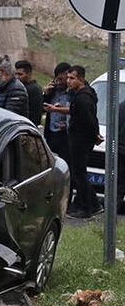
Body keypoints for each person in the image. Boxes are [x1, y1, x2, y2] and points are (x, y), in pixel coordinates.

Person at [65, 65, 103, 218]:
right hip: (80, 138)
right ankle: (91, 203)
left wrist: (95, 135)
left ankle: (87, 206)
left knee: (79, 173)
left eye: (72, 78)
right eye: (68, 78)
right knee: (79, 172)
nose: (68, 81)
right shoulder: (81, 95)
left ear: (80, 79)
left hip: (81, 139)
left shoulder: (83, 98)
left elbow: (89, 119)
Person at [42, 62, 72, 174]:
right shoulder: (53, 91)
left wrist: (68, 123)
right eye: (56, 79)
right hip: (51, 134)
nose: (58, 82)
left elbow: (77, 111)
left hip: (66, 136)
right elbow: (42, 108)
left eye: (60, 79)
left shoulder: (73, 92)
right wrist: (46, 94)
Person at [15, 60, 43, 125]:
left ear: (29, 74)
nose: (17, 77)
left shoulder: (31, 89)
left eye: (20, 74)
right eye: (16, 74)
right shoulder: (32, 87)